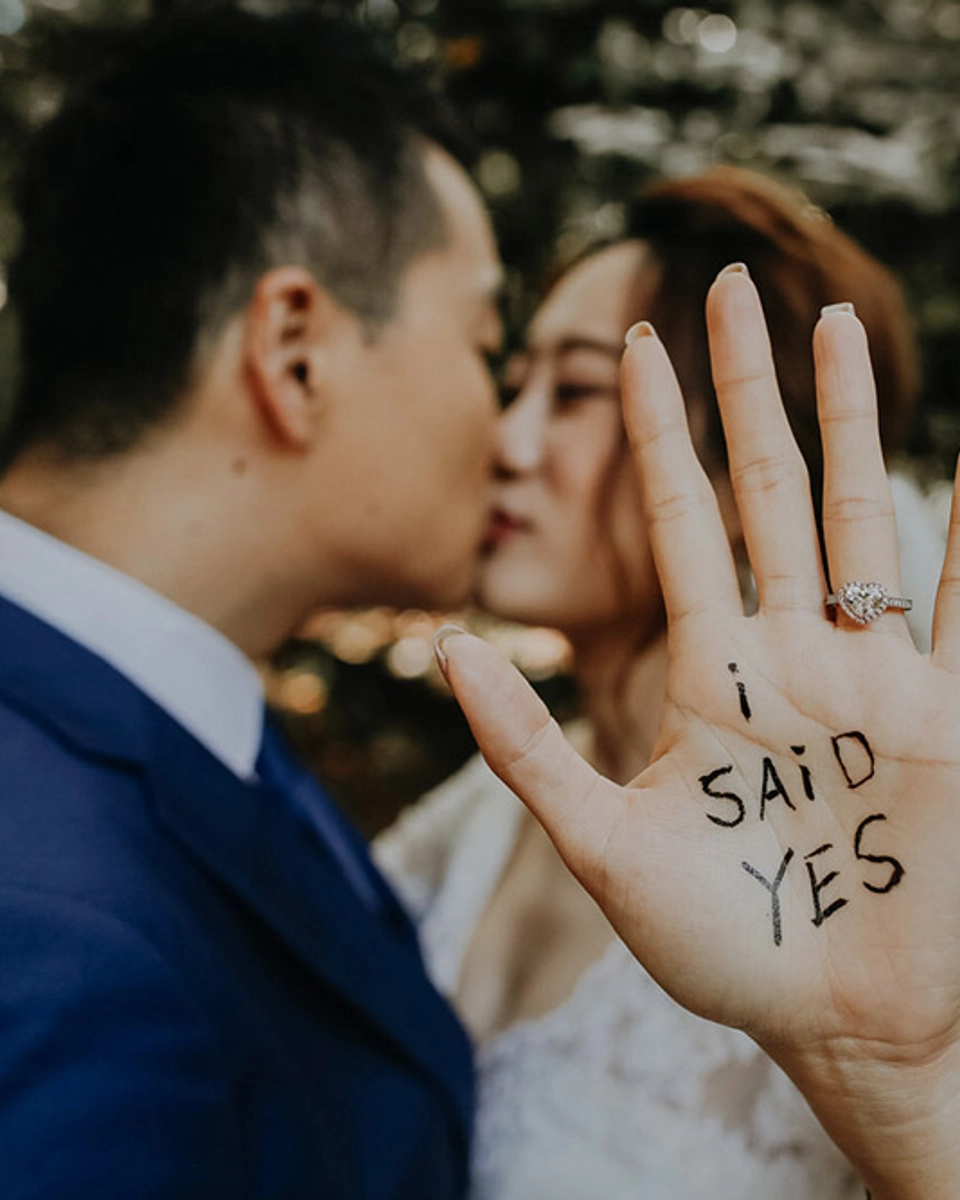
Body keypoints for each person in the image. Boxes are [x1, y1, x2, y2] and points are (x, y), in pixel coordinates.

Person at [0, 9, 505, 1197]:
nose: (507, 419)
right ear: (294, 350)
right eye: (488, 341)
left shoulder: (187, 724)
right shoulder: (54, 926)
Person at [376, 169, 946, 1199]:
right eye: (518, 382)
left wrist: (912, 1107)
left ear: (737, 478)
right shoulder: (481, 809)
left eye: (579, 390)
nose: (508, 443)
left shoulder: (873, 871)